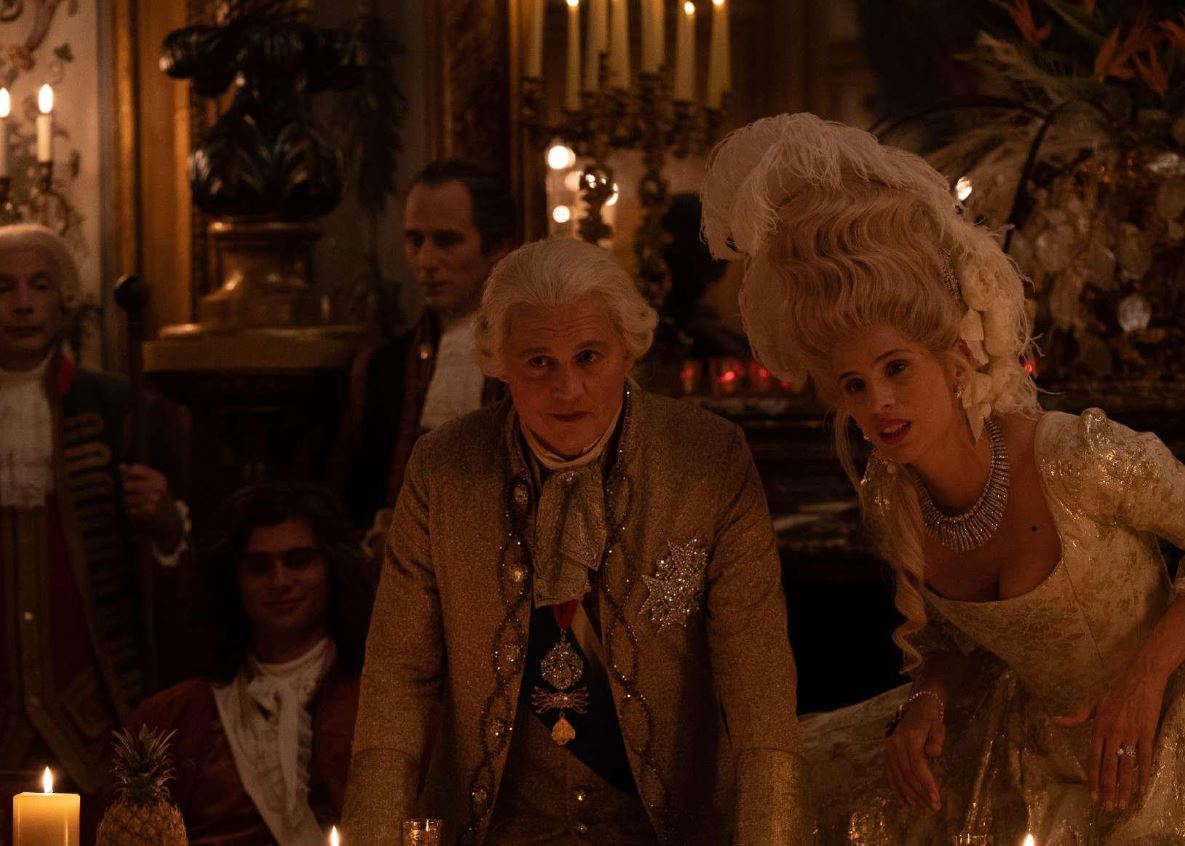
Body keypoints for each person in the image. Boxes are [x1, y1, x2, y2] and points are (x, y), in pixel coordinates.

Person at [700, 112, 1185, 843]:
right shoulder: (891, 499)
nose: (877, 403)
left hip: (1167, 721)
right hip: (1034, 750)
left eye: (896, 368)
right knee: (781, 794)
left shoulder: (1079, 457)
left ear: (954, 358)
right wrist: (926, 700)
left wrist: (1145, 681)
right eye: (854, 386)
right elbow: (957, 641)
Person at [342, 237, 812, 845]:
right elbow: (398, 675)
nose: (568, 389)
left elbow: (758, 679)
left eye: (588, 357)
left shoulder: (709, 459)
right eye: (539, 362)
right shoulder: (443, 470)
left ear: (628, 349)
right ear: (498, 361)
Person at [0, 223, 191, 837]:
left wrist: (163, 521)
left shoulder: (114, 408)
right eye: (4, 288)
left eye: (39, 285)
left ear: (64, 301)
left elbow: (165, 564)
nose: (22, 304)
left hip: (92, 710)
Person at [128, 482, 374, 846]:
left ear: (331, 568)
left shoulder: (377, 701)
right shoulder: (175, 717)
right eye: (259, 567)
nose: (280, 581)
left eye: (298, 561)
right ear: (234, 581)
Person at [330, 158, 516, 536]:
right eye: (415, 240)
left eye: (446, 241)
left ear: (498, 248)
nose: (425, 261)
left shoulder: (532, 364)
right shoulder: (380, 369)